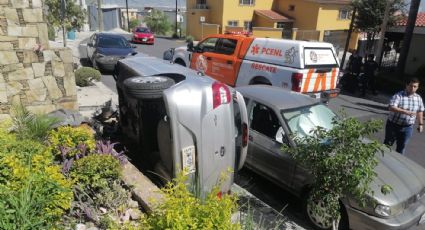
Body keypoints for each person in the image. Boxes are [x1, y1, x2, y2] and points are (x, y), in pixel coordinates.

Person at [384, 78, 424, 154]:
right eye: (411, 86)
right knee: (387, 145)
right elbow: (391, 107)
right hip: (393, 125)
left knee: (401, 147)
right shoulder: (399, 95)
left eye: (415, 86)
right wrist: (405, 112)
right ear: (406, 85)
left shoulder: (418, 98)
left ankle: (397, 164)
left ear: (417, 87)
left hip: (407, 127)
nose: (412, 88)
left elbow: (420, 110)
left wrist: (421, 124)